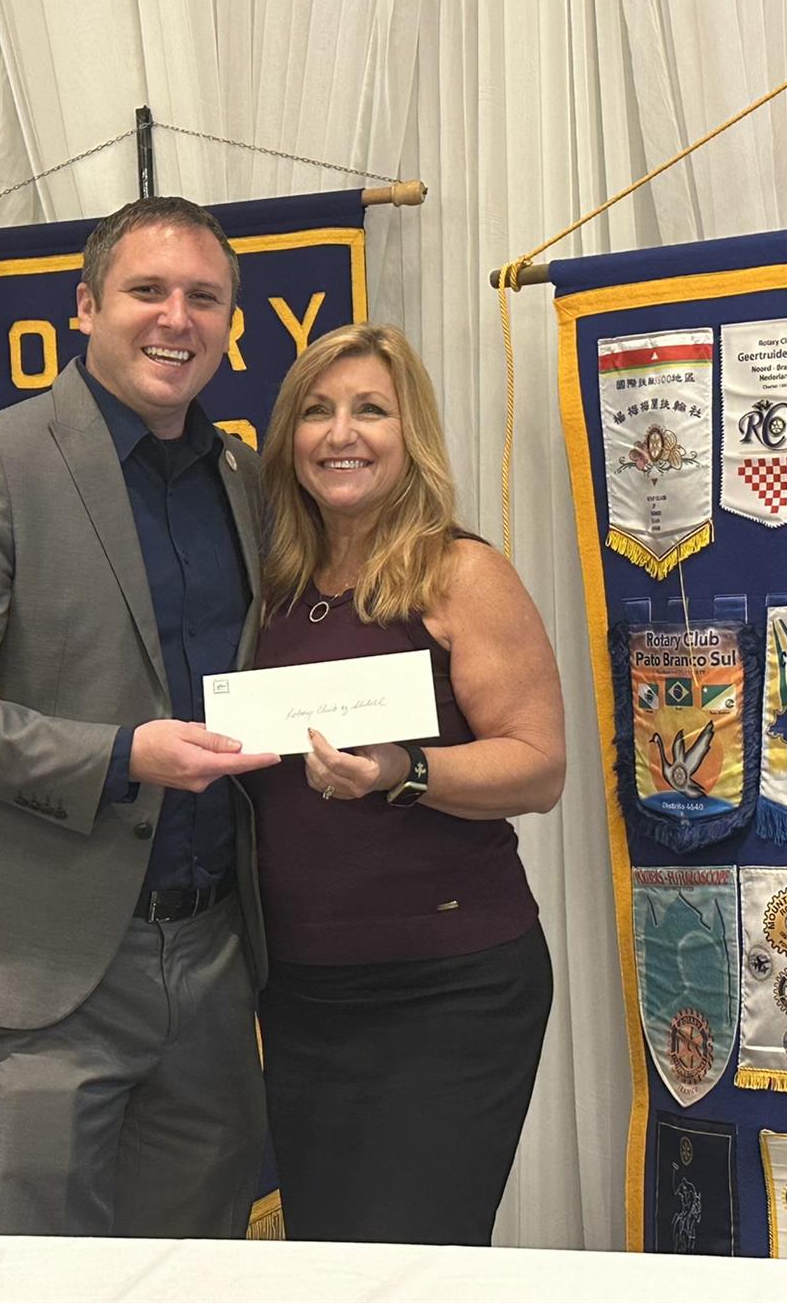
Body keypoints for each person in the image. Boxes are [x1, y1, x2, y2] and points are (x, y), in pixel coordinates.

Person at [0, 196, 279, 1239]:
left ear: (230, 324)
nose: (176, 318)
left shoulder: (242, 476)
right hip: (46, 968)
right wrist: (121, 756)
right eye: (148, 291)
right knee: (48, 1277)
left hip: (218, 957)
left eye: (204, 297)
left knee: (196, 1273)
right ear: (86, 307)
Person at [248, 322, 564, 1245]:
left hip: (450, 990)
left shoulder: (461, 573)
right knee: (329, 1262)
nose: (341, 433)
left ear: (410, 433)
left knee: (414, 1264)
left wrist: (406, 768)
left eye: (370, 410)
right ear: (290, 438)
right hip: (302, 994)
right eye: (317, 411)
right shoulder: (268, 585)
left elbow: (539, 765)